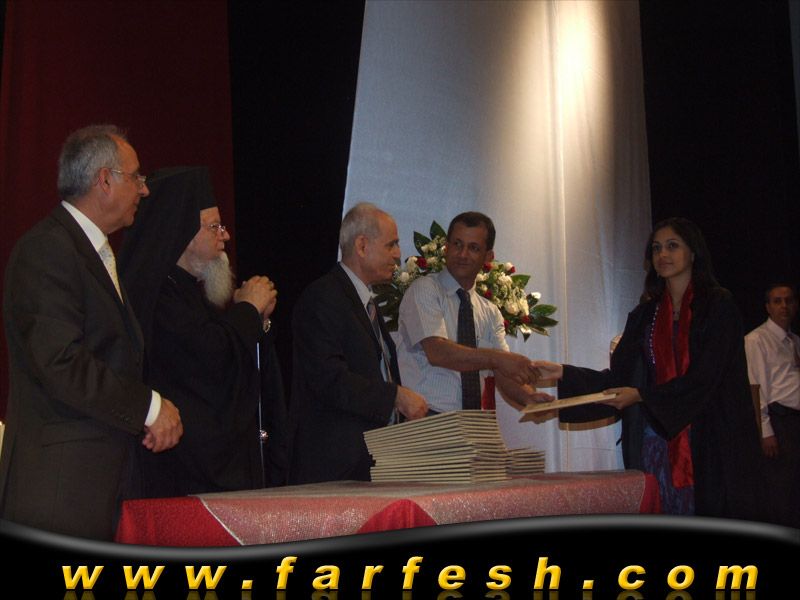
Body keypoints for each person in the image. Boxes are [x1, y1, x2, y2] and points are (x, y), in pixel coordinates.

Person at [0, 125, 183, 539]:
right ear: (104, 180)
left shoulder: (89, 251)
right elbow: (61, 363)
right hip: (59, 494)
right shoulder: (47, 249)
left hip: (92, 487)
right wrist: (148, 408)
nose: (144, 189)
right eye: (136, 177)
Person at [533, 217, 764, 520]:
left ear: (693, 252)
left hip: (712, 441)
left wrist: (642, 395)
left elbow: (707, 378)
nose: (662, 254)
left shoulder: (718, 306)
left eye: (672, 246)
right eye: (656, 248)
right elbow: (621, 379)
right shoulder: (645, 315)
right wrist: (563, 372)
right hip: (656, 443)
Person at [118, 166, 288, 497]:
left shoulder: (192, 293)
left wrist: (258, 321)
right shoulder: (159, 296)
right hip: (180, 474)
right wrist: (247, 310)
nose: (225, 236)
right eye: (214, 227)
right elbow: (209, 359)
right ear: (181, 233)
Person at [288, 202, 428, 483]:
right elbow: (329, 379)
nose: (398, 254)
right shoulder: (323, 297)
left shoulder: (363, 302)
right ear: (362, 246)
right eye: (391, 245)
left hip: (369, 464)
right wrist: (395, 396)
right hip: (335, 470)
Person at [396, 211, 552, 415]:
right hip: (424, 418)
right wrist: (497, 358)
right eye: (457, 244)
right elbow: (438, 352)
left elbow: (503, 373)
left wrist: (528, 398)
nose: (462, 254)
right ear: (446, 247)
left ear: (488, 257)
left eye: (473, 248)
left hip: (471, 421)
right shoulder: (425, 289)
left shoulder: (490, 312)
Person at [744, 283, 800, 527]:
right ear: (768, 307)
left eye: (789, 300)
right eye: (777, 301)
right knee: (780, 490)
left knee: (795, 490)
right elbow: (756, 387)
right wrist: (766, 431)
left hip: (795, 421)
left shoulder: (794, 340)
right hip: (779, 421)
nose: (784, 306)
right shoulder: (757, 340)